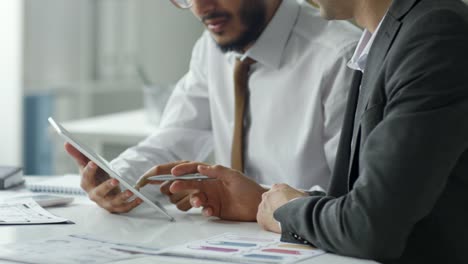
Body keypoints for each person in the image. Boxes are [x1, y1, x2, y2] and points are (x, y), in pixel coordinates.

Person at [152, 0, 468, 262]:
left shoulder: (433, 34)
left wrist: (286, 210)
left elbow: (369, 227)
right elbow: (358, 200)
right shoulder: (386, 38)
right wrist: (265, 200)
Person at [65, 0, 360, 215]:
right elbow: (176, 138)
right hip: (228, 243)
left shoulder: (341, 57)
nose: (201, 7)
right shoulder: (211, 47)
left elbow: (353, 198)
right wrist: (118, 178)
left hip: (309, 244)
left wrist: (268, 203)